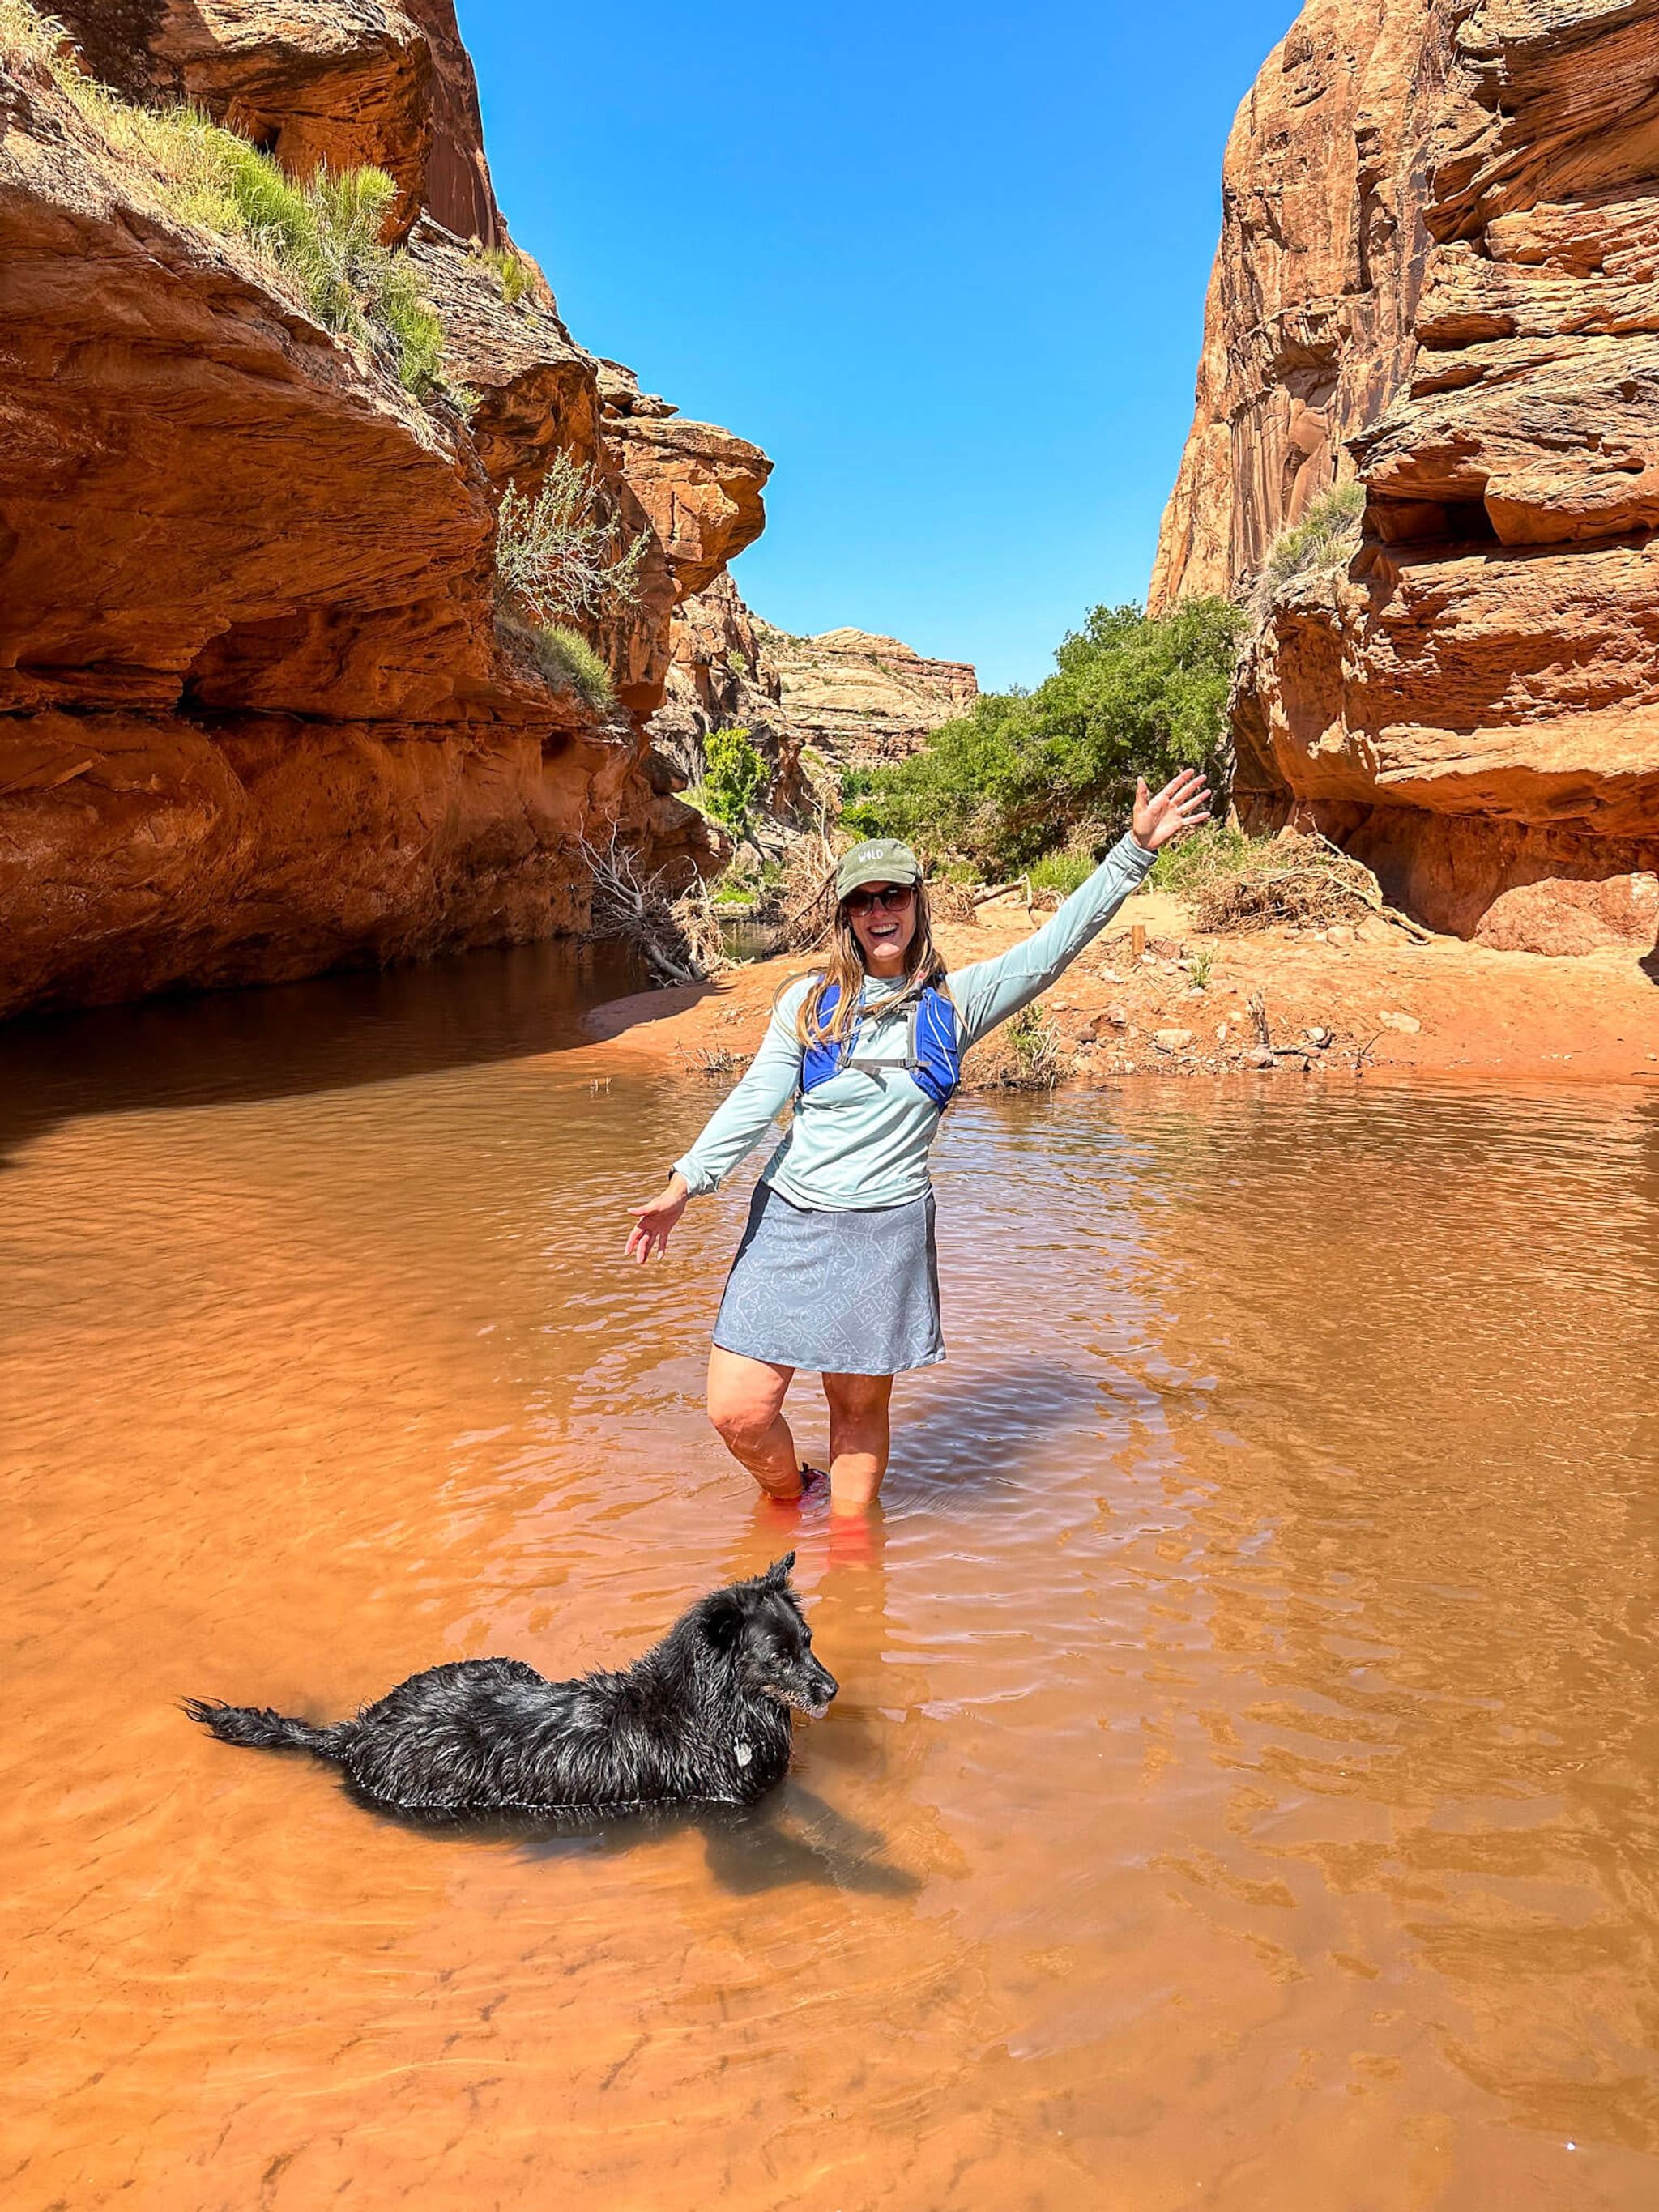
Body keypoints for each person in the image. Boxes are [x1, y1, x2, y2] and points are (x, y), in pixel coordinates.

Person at [625, 767, 1212, 1507]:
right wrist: (685, 1184)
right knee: (738, 1410)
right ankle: (789, 1495)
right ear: (845, 913)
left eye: (894, 895)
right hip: (789, 1222)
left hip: (886, 1230)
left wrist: (1132, 851)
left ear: (916, 903)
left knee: (858, 1409)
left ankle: (849, 1561)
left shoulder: (956, 1004)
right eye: (863, 900)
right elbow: (753, 1100)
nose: (880, 912)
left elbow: (1054, 947)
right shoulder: (806, 1004)